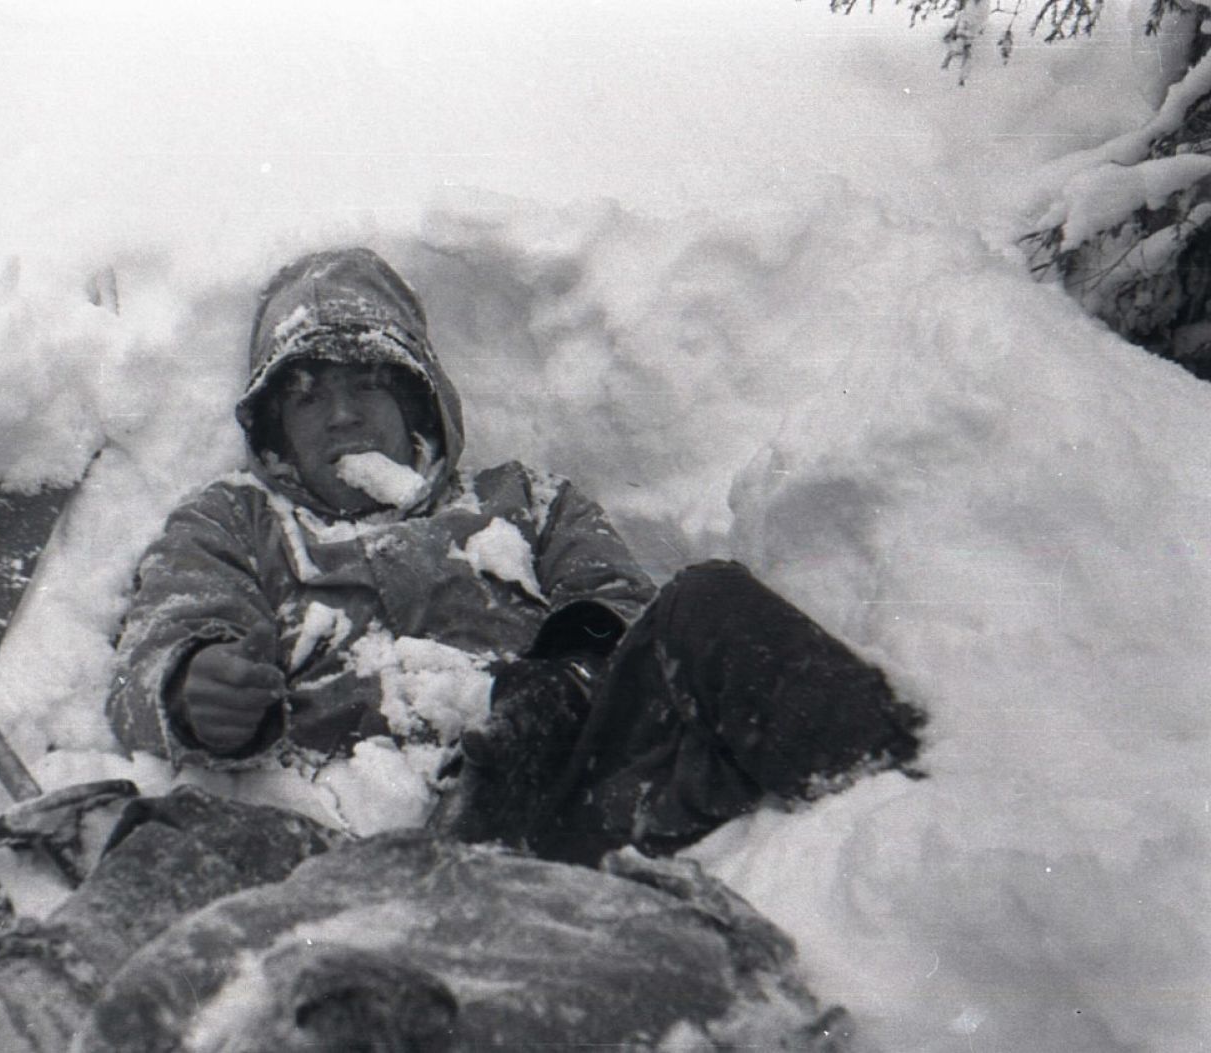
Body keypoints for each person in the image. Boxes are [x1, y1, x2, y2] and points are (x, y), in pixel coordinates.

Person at [105, 246, 924, 863]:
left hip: (559, 800)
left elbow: (622, 607)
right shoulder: (235, 517)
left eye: (365, 384)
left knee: (713, 604)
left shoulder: (525, 499)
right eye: (307, 397)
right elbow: (163, 636)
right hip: (336, 842)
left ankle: (903, 841)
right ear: (276, 432)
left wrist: (561, 685)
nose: (341, 414)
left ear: (416, 396)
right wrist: (192, 684)